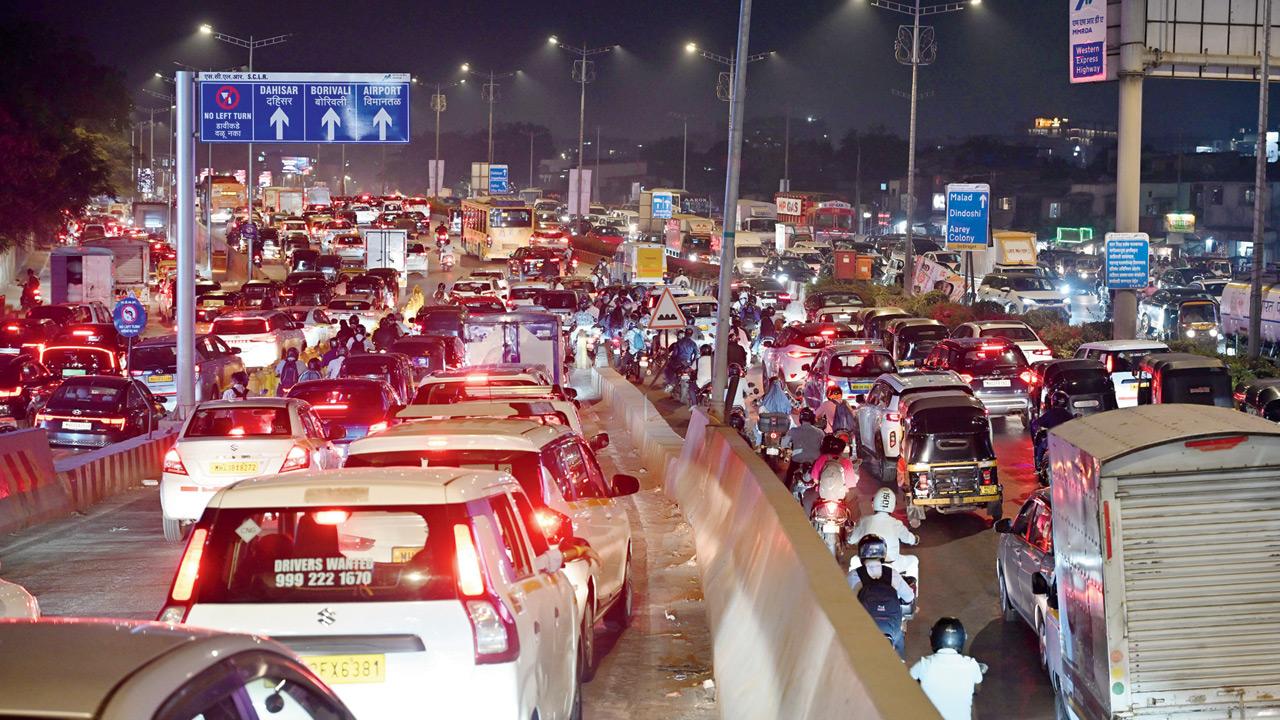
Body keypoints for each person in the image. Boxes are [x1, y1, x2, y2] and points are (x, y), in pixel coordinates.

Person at [848, 534, 915, 658]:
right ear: (883, 553)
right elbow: (909, 598)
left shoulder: (854, 575)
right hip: (891, 630)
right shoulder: (892, 574)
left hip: (863, 626)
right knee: (899, 639)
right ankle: (901, 661)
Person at [910, 618, 986, 720]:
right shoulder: (971, 665)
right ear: (963, 638)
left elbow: (907, 682)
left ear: (933, 637)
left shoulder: (924, 664)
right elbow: (978, 683)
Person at [851, 488, 919, 581]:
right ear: (893, 505)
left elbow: (851, 540)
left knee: (854, 560)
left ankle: (849, 591)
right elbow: (908, 538)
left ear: (874, 503)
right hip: (892, 563)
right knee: (913, 560)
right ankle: (911, 592)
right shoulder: (896, 523)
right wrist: (915, 540)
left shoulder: (864, 521)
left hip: (866, 563)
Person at [1031, 390, 1076, 471]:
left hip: (1053, 439)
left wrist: (1035, 424)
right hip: (1067, 440)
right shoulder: (1068, 414)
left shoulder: (1050, 413)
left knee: (1041, 448)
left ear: (1053, 401)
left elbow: (1037, 423)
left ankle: (1038, 466)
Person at [782, 407, 826, 488]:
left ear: (800, 419)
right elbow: (824, 447)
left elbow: (783, 444)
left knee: (789, 475)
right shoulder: (820, 432)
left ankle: (786, 490)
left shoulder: (793, 431)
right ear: (813, 419)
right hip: (815, 462)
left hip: (797, 460)